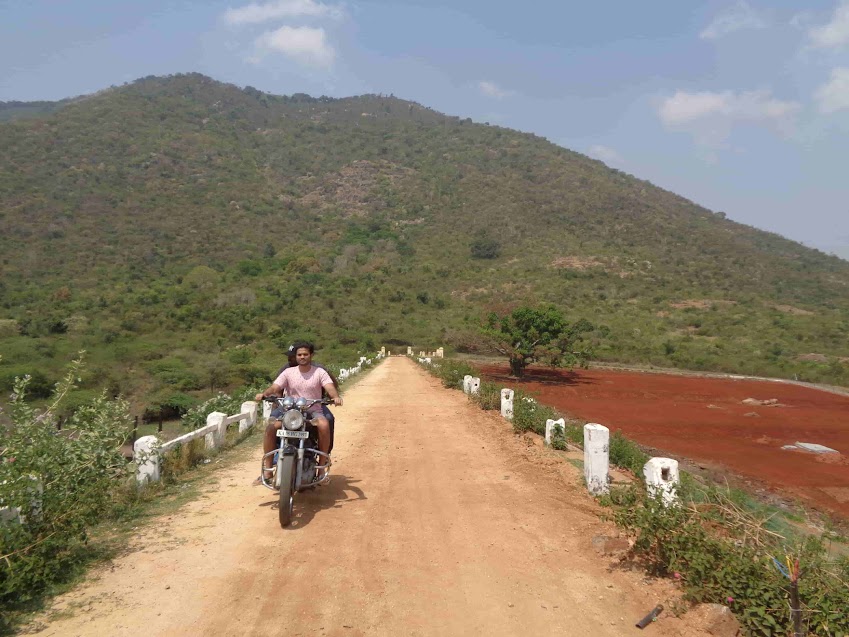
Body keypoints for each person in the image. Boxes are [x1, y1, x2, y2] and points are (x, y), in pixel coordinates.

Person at [255, 341, 342, 483]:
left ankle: (321, 468)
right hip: (290, 411)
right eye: (299, 355)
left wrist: (335, 397)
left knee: (324, 424)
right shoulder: (288, 372)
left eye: (305, 354)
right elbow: (275, 387)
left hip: (312, 410)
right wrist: (264, 394)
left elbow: (329, 386)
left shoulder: (320, 372)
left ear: (311, 355)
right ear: (295, 356)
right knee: (271, 427)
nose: (302, 357)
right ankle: (268, 470)